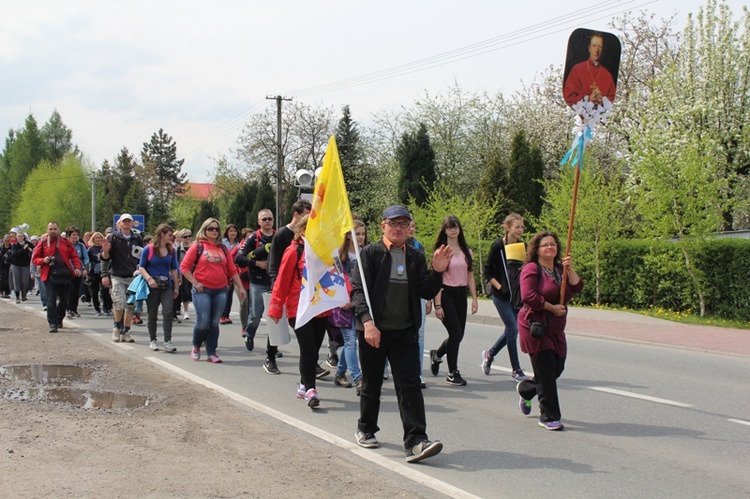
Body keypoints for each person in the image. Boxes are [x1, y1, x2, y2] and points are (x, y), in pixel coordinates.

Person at [351, 205, 451, 464]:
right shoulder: (370, 254)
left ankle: (416, 440)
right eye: (393, 223)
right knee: (372, 385)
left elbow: (426, 291)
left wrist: (438, 271)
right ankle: (366, 428)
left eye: (403, 224)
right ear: (383, 225)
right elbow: (358, 291)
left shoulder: (415, 256)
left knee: (410, 388)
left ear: (408, 228)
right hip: (374, 332)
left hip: (406, 332)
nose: (398, 228)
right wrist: (368, 323)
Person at [516, 232, 583, 431]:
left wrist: (569, 269)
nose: (549, 248)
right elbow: (528, 296)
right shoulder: (531, 268)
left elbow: (577, 287)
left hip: (555, 327)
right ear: (537, 249)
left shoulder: (560, 269)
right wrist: (551, 308)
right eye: (545, 245)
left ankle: (526, 390)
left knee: (557, 368)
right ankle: (549, 416)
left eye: (553, 244)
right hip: (536, 325)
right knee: (545, 371)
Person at [268, 215, 328, 409]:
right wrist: (276, 308)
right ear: (302, 230)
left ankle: (303, 384)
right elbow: (282, 281)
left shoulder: (325, 251)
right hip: (298, 308)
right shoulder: (294, 250)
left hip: (320, 308)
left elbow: (336, 277)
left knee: (315, 348)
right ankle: (311, 389)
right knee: (308, 347)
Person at [180, 218, 246, 363]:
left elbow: (231, 269)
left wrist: (240, 287)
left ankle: (211, 352)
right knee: (203, 321)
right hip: (202, 290)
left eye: (216, 229)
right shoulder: (197, 247)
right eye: (211, 229)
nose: (214, 231)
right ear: (204, 230)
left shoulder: (223, 248)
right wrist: (195, 283)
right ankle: (196, 345)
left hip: (220, 290)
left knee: (214, 322)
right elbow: (184, 267)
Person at [429, 215, 478, 387]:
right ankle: (452, 372)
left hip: (461, 295)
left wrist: (474, 299)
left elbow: (470, 276)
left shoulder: (467, 251)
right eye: (450, 227)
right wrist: (438, 305)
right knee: (455, 333)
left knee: (458, 335)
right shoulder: (441, 252)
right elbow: (437, 280)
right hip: (446, 294)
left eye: (455, 226)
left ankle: (437, 354)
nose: (453, 229)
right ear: (444, 230)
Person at [481, 213, 529, 381]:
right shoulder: (497, 246)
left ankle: (490, 353)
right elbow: (487, 272)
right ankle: (516, 370)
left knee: (511, 330)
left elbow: (527, 268)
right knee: (513, 329)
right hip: (501, 296)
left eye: (522, 227)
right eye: (517, 227)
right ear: (508, 227)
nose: (520, 230)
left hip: (517, 296)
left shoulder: (523, 246)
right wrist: (500, 286)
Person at [265, 200, 311, 374]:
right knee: (277, 323)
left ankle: (311, 364)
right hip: (282, 283)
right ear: (296, 215)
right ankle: (270, 356)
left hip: (302, 287)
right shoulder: (282, 235)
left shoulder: (309, 235)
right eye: (306, 214)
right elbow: (274, 263)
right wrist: (277, 285)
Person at [234, 209, 276, 359]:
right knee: (256, 316)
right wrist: (256, 263)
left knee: (274, 317)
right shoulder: (253, 237)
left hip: (274, 283)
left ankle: (273, 348)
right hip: (258, 282)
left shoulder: (278, 236)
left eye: (269, 219)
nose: (267, 221)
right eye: (264, 219)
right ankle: (250, 333)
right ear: (259, 222)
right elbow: (239, 259)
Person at [332, 219, 367, 393]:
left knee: (352, 342)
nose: (359, 237)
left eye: (362, 234)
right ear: (348, 236)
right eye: (356, 234)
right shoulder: (339, 256)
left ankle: (339, 373)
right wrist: (342, 298)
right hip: (344, 303)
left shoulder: (366, 253)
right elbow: (336, 279)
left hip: (360, 303)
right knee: (350, 341)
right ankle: (358, 378)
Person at [31, 221, 82, 333]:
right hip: (49, 274)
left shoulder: (66, 242)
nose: (53, 231)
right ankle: (53, 323)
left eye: (55, 229)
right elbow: (35, 259)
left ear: (58, 230)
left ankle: (59, 319)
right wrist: (43, 260)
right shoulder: (43, 242)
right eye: (51, 229)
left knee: (64, 300)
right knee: (51, 300)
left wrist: (77, 268)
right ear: (47, 230)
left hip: (64, 274)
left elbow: (74, 257)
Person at [100, 213, 144, 343]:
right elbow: (105, 258)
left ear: (132, 223)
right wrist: (106, 251)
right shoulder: (113, 238)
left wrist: (141, 268)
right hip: (117, 275)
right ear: (119, 223)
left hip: (133, 277)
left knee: (130, 306)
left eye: (128, 221)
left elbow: (142, 255)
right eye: (124, 221)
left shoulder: (137, 238)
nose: (126, 224)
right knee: (119, 303)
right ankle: (116, 328)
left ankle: (126, 331)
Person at [139, 224, 180, 352]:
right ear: (162, 234)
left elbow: (174, 268)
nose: (172, 237)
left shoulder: (171, 251)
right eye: (170, 235)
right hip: (152, 286)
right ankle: (153, 339)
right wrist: (149, 279)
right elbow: (141, 267)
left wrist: (176, 286)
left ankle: (167, 341)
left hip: (166, 285)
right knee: (152, 314)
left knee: (168, 312)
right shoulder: (149, 250)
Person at [406, 218, 430, 388]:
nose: (412, 229)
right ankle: (385, 365)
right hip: (400, 294)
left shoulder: (419, 247)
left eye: (414, 226)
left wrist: (429, 299)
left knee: (420, 333)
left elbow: (425, 274)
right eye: (410, 226)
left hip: (418, 294)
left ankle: (418, 372)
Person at [563, 32, 616, 107]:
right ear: (589, 48)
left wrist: (602, 101)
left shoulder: (607, 75)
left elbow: (614, 99)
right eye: (594, 46)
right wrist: (587, 99)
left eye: (600, 46)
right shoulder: (577, 70)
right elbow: (568, 97)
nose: (596, 50)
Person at [65, 226, 89, 318]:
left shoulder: (81, 246)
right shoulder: (66, 245)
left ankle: (74, 309)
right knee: (69, 290)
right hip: (68, 271)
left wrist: (86, 269)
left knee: (76, 291)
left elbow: (86, 258)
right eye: (73, 235)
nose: (75, 236)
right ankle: (68, 309)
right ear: (69, 236)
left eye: (77, 235)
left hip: (78, 271)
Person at [219, 224, 241, 325]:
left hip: (234, 271)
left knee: (230, 295)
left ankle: (226, 315)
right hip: (223, 271)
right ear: (227, 232)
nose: (233, 233)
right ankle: (221, 315)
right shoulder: (222, 243)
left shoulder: (239, 244)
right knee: (224, 294)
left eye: (235, 231)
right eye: (231, 231)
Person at [87, 232, 110, 316]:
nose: (98, 240)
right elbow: (87, 260)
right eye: (96, 238)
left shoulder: (104, 248)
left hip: (104, 272)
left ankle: (106, 307)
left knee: (105, 291)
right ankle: (97, 308)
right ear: (93, 239)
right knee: (95, 291)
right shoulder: (91, 249)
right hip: (94, 272)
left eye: (100, 238)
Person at [9, 231, 34, 303]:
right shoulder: (14, 245)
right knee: (16, 281)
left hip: (25, 265)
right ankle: (17, 297)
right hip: (16, 265)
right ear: (16, 237)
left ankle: (24, 295)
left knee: (25, 282)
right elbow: (16, 254)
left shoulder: (27, 244)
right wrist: (23, 249)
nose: (20, 238)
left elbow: (34, 249)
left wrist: (30, 249)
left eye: (21, 236)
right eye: (18, 236)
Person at [0, 234, 12, 299]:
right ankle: (1, 290)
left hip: (9, 264)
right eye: (5, 241)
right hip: (2, 264)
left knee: (8, 278)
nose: (6, 242)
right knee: (3, 278)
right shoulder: (1, 247)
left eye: (8, 241)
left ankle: (7, 292)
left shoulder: (11, 247)